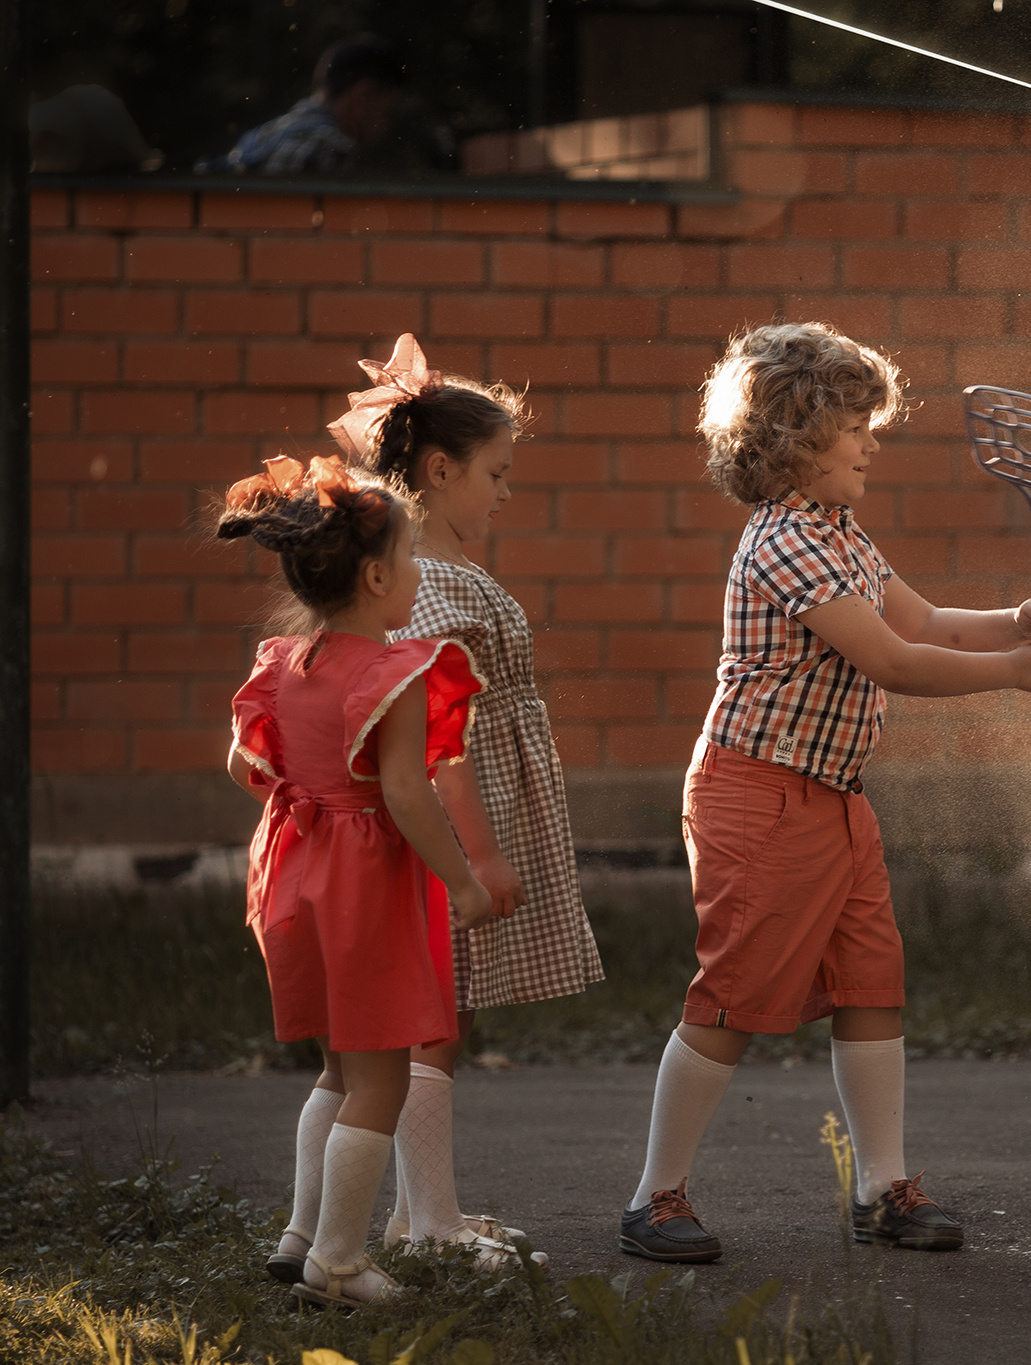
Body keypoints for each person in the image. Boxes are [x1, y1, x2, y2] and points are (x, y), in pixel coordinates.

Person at [618, 322, 1031, 1263]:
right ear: (797, 437)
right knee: (736, 998)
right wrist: (1013, 676)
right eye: (857, 425)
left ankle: (883, 1190)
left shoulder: (841, 533)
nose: (874, 441)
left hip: (832, 796)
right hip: (758, 798)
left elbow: (930, 621)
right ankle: (654, 1196)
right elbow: (895, 662)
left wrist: (1011, 623)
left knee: (872, 987)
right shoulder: (787, 544)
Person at [329, 335, 602, 1266]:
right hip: (457, 823)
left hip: (481, 808)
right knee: (434, 1020)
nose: (505, 491)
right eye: (497, 472)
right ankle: (431, 1226)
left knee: (449, 1015)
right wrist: (479, 854)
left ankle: (419, 1215)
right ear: (440, 469)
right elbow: (442, 743)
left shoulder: (442, 569)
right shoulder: (434, 582)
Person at [220, 454, 494, 1309]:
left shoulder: (283, 661)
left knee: (338, 1070)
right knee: (385, 1079)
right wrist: (467, 879)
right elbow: (409, 793)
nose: (416, 575)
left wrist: (311, 802)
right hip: (364, 892)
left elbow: (243, 762)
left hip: (294, 879)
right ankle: (337, 1263)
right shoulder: (394, 672)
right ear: (377, 576)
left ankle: (301, 1232)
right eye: (410, 560)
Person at [199, 33, 403, 175]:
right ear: (363, 95)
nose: (387, 128)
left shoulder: (262, 135)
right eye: (388, 113)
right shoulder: (331, 149)